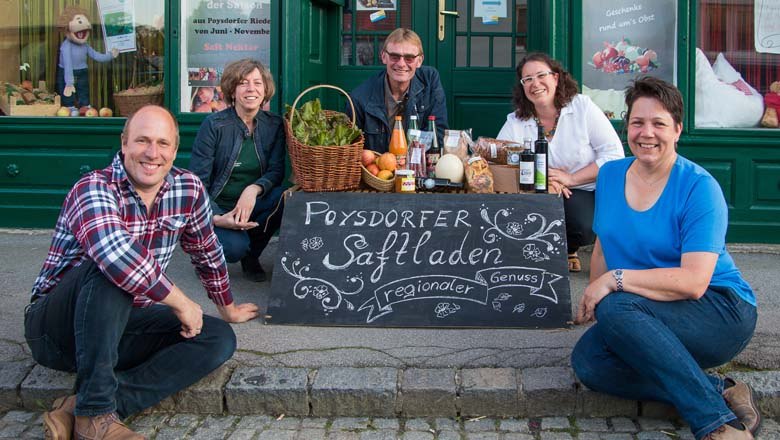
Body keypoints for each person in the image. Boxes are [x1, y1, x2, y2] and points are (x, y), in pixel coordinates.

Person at [26, 105, 259, 440]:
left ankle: (86, 406)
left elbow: (207, 252)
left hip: (119, 327)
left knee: (217, 338)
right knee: (110, 269)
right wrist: (181, 302)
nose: (153, 153)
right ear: (123, 144)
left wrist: (228, 308)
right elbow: (116, 255)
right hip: (56, 331)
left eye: (163, 144)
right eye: (142, 141)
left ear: (175, 150)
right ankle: (94, 420)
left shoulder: (188, 189)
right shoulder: (93, 188)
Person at [571, 77, 759, 440]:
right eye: (638, 123)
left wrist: (612, 283)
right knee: (590, 362)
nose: (647, 133)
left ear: (677, 129)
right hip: (645, 308)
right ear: (626, 127)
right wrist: (595, 300)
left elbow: (693, 282)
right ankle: (720, 390)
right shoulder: (610, 175)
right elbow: (604, 245)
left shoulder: (698, 187)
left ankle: (717, 424)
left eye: (658, 124)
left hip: (719, 311)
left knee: (617, 307)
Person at [497, 52, 624, 272]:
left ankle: (569, 248)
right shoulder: (517, 120)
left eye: (540, 75)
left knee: (582, 225)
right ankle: (535, 256)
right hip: (538, 191)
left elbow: (613, 154)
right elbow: (499, 160)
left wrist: (571, 178)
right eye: (527, 79)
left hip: (582, 188)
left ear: (555, 78)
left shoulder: (582, 107)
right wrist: (544, 181)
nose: (535, 84)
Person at [190, 58, 286, 282]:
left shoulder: (274, 125)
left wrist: (253, 189)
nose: (251, 89)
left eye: (257, 83)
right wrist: (215, 217)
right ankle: (206, 254)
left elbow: (276, 171)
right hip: (220, 207)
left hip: (253, 204)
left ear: (265, 90)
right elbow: (197, 182)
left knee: (285, 197)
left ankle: (251, 256)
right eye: (243, 83)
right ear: (232, 90)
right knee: (232, 249)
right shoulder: (214, 125)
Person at [347, 28, 448, 153]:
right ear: (384, 57)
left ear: (419, 61)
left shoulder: (429, 81)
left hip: (419, 168)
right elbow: (352, 150)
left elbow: (438, 132)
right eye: (395, 56)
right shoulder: (360, 98)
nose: (401, 64)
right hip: (379, 169)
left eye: (409, 58)